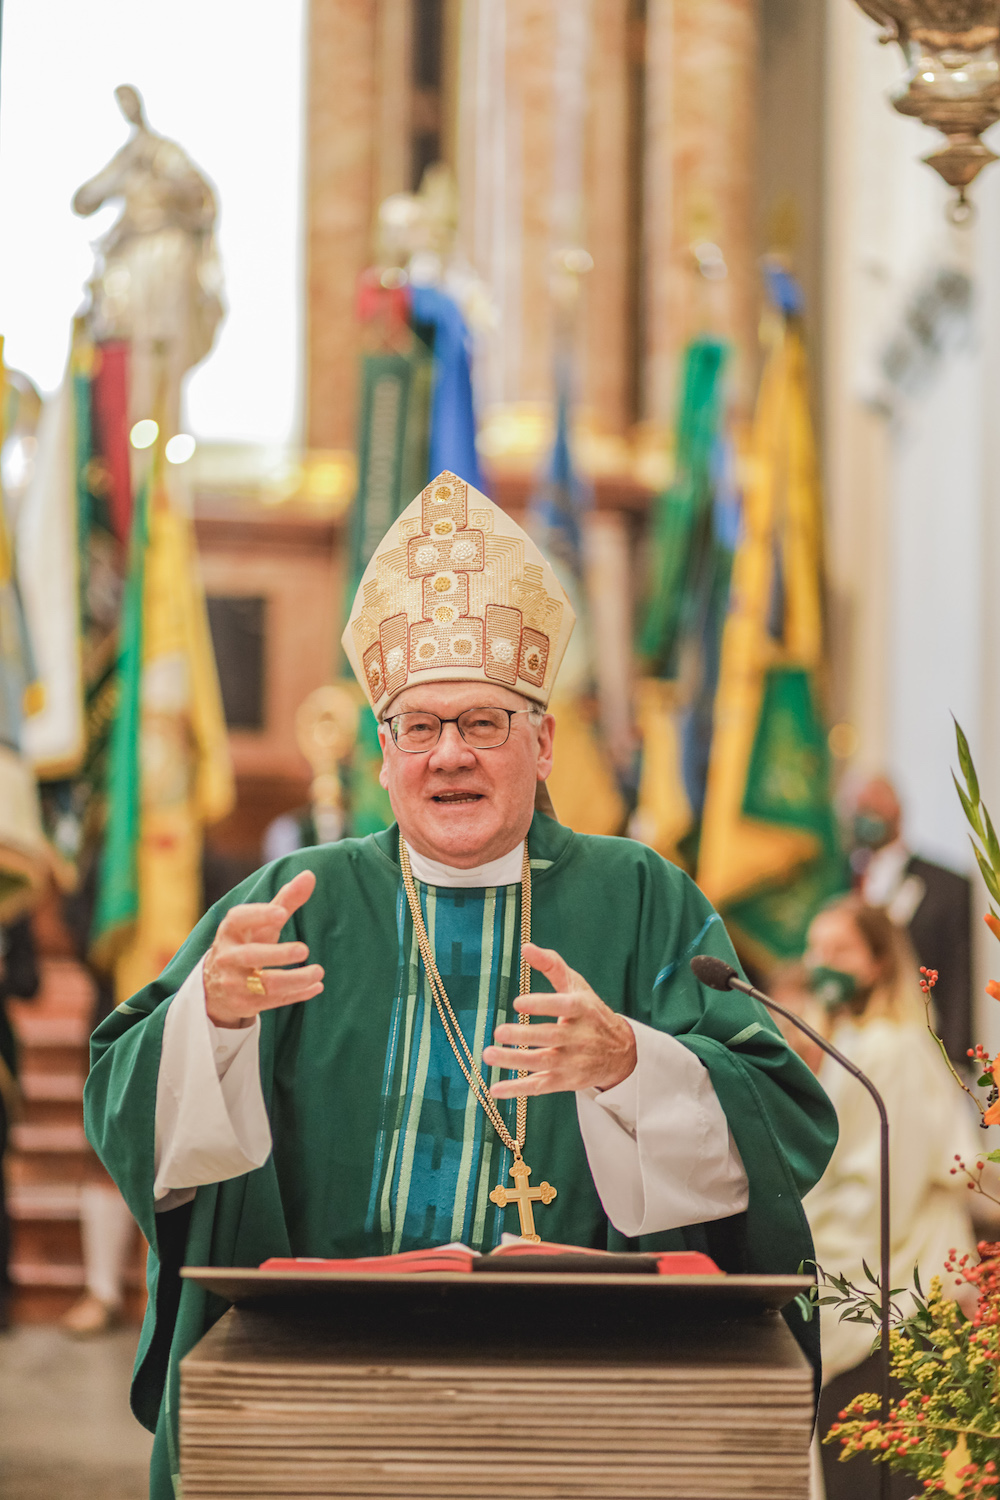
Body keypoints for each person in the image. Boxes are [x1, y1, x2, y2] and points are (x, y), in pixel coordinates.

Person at [84, 472, 838, 1500]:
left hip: (584, 1384)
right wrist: (205, 1023)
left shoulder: (640, 897)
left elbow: (781, 1120)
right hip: (331, 1379)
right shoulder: (295, 900)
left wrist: (631, 1064)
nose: (450, 757)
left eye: (483, 724)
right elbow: (124, 1095)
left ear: (544, 740)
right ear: (382, 753)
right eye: (420, 727)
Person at [803, 895, 977, 1500]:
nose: (822, 964)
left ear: (879, 962)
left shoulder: (893, 1051)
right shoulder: (853, 1045)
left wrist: (808, 1271)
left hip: (892, 1314)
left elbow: (882, 1194)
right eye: (815, 950)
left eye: (840, 951)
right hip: (880, 1308)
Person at [850, 775, 972, 1060]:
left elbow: (960, 976)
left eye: (873, 806)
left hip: (924, 1039)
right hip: (859, 1041)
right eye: (857, 808)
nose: (864, 816)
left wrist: (953, 1056)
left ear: (898, 811)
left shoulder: (947, 888)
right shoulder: (841, 881)